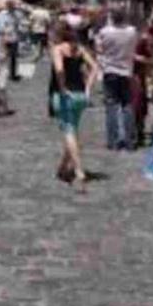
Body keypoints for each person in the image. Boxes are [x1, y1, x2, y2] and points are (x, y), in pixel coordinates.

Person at [50, 23, 98, 192]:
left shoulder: (58, 49)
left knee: (69, 132)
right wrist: (88, 89)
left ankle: (78, 171)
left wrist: (63, 89)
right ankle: (63, 168)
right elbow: (95, 68)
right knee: (72, 132)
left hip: (65, 95)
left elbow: (59, 70)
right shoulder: (80, 49)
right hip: (80, 95)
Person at [95, 6, 138, 151]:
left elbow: (99, 49)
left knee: (111, 107)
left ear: (112, 17)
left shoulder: (105, 32)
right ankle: (130, 141)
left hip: (110, 71)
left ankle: (112, 141)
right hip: (126, 72)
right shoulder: (132, 31)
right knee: (128, 106)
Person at [4, 0, 21, 81]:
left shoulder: (17, 14)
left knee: (13, 57)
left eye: (12, 5)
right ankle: (5, 73)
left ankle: (12, 74)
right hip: (5, 38)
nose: (11, 7)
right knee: (4, 56)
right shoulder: (3, 14)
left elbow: (19, 25)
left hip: (14, 38)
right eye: (9, 5)